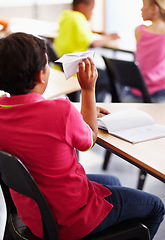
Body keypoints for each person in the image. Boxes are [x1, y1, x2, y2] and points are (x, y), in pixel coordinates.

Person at [0, 32, 164, 240]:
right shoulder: (60, 111)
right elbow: (89, 139)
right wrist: (88, 89)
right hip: (72, 219)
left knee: (113, 180)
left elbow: (38, 127)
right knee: (156, 207)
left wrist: (77, 117)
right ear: (41, 75)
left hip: (35, 215)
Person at [54, 0, 120, 102]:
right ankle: (95, 107)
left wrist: (98, 32)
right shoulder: (78, 18)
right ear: (81, 7)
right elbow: (92, 43)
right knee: (106, 78)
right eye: (91, 9)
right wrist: (110, 38)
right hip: (76, 68)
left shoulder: (66, 16)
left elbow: (81, 32)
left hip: (63, 65)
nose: (91, 13)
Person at [122, 0, 165, 103]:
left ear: (154, 8)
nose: (141, 9)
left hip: (137, 90)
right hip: (160, 93)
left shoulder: (139, 31)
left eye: (144, 5)